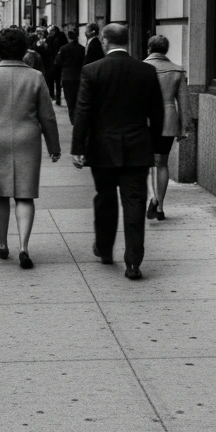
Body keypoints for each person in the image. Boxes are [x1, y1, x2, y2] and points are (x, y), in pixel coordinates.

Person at [72, 23, 165, 281]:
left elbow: (83, 113)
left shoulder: (92, 71)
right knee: (134, 202)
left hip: (102, 147)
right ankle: (133, 261)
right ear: (128, 39)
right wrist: (156, 148)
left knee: (105, 198)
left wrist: (78, 148)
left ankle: (104, 248)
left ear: (103, 40)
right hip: (137, 147)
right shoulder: (145, 71)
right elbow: (157, 113)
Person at [0, 29, 61, 269]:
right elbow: (47, 116)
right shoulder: (36, 77)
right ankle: (24, 247)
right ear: (23, 49)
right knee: (25, 195)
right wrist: (54, 146)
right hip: (28, 138)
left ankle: (2, 244)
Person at [144, 35, 191, 221]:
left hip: (145, 120)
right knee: (162, 163)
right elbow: (185, 103)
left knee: (146, 163)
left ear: (149, 48)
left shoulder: (141, 68)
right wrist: (186, 127)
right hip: (168, 119)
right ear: (166, 50)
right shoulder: (177, 70)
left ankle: (152, 197)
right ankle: (161, 207)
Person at [53, 29, 86, 123]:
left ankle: (73, 119)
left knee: (70, 100)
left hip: (67, 77)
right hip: (79, 76)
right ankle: (78, 117)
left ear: (68, 37)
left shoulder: (64, 48)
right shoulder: (82, 49)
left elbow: (57, 62)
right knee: (77, 99)